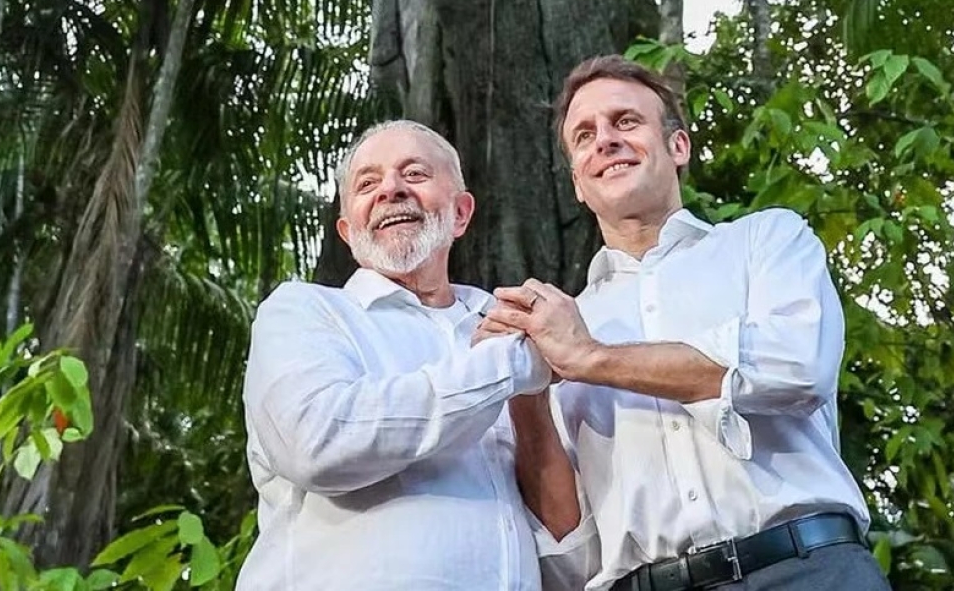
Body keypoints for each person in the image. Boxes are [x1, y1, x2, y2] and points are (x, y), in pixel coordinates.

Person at [483, 56, 891, 591]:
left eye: (626, 122)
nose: (605, 140)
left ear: (678, 147)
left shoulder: (765, 240)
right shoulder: (564, 324)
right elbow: (572, 552)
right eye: (584, 136)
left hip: (810, 569)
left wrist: (594, 359)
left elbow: (796, 366)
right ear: (579, 183)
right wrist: (525, 394)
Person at [238, 120, 555, 590]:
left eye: (415, 174)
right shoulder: (305, 311)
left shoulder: (509, 324)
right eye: (368, 183)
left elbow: (555, 507)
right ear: (347, 230)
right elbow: (319, 442)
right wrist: (508, 365)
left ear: (461, 213)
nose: (391, 190)